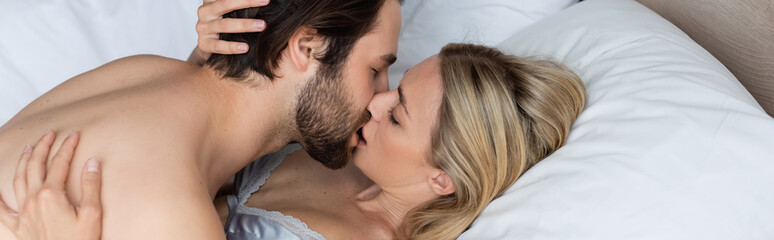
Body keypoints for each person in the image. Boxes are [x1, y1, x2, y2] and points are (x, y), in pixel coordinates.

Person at [0, 43, 587, 239]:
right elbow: (196, 150)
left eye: (399, 114)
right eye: (391, 80)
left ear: (443, 178)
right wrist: (206, 61)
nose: (376, 102)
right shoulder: (330, 154)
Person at [0, 0, 402, 239]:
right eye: (374, 70)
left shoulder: (143, 72)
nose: (384, 96)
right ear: (307, 46)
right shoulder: (176, 220)